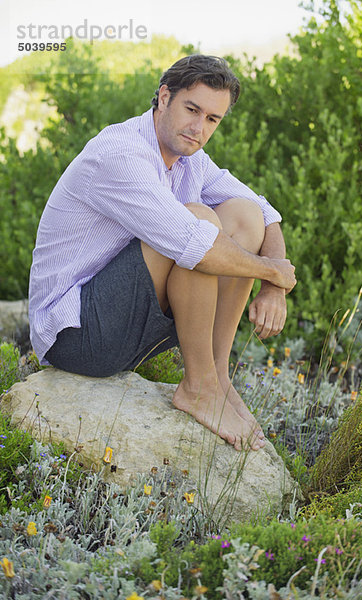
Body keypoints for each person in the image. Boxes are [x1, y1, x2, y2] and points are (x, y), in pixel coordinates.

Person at [29, 54, 296, 452]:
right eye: (192, 110)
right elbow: (196, 246)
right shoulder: (120, 153)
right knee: (198, 223)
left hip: (131, 324)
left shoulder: (190, 160)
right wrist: (273, 273)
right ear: (164, 96)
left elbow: (261, 211)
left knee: (242, 217)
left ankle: (217, 378)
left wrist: (275, 284)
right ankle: (199, 388)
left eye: (212, 119)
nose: (198, 128)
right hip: (76, 337)